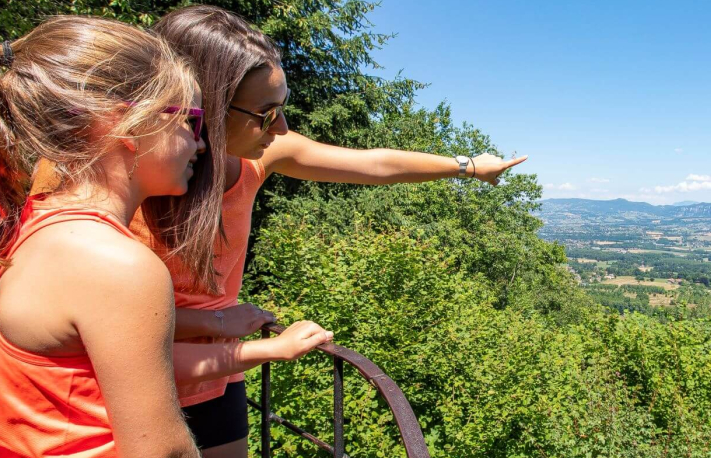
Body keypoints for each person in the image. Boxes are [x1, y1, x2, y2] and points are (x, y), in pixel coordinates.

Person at [0, 15, 332, 457]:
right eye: (188, 121)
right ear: (128, 126)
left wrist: (218, 325)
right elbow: (165, 451)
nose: (201, 144)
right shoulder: (116, 264)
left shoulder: (37, 227)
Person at [142, 5, 527, 457]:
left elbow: (375, 164)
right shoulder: (114, 182)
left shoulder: (254, 159)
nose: (282, 129)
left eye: (282, 110)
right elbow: (99, 317)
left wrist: (468, 166)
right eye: (265, 114)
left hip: (218, 374)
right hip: (131, 379)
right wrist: (220, 322)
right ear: (206, 101)